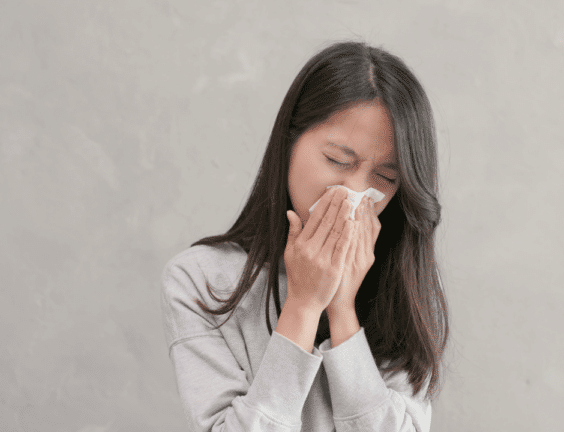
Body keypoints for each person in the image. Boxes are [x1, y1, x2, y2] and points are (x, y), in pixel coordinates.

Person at [161, 40, 449, 432]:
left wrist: (342, 309)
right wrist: (303, 306)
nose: (352, 193)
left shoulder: (405, 288)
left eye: (385, 178)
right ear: (289, 143)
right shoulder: (202, 281)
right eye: (337, 161)